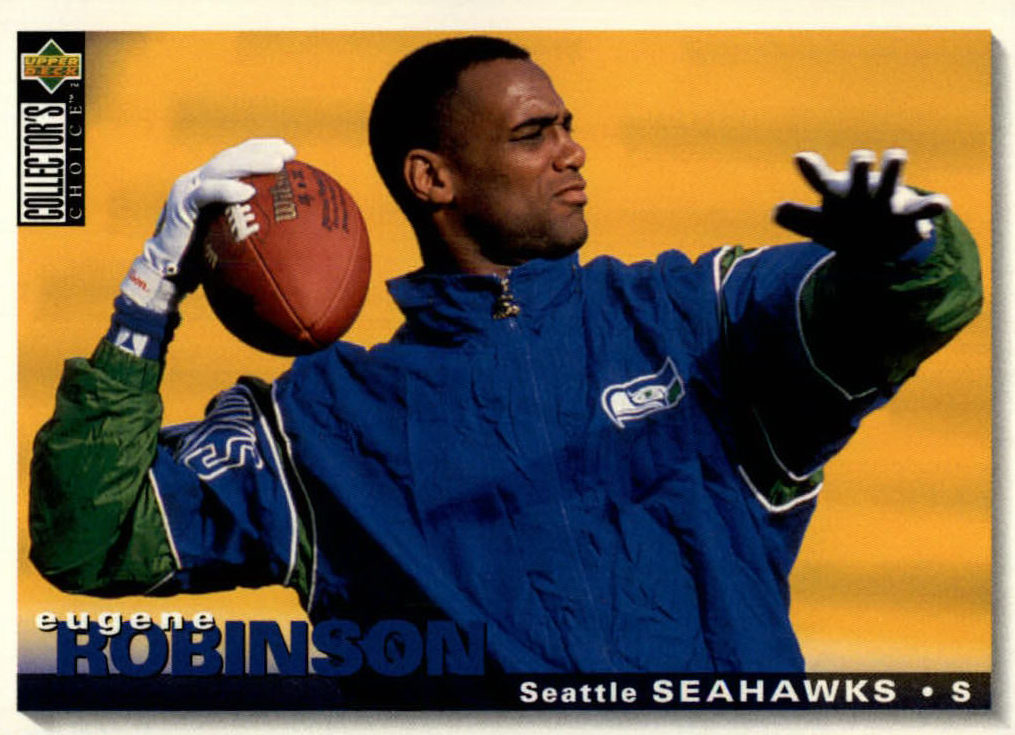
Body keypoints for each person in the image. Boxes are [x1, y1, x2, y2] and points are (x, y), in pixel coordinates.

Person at [29, 35, 982, 672]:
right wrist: (150, 296)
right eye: (534, 134)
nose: (571, 151)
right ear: (431, 177)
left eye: (566, 126)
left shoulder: (692, 315)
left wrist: (905, 250)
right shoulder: (322, 422)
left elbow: (892, 309)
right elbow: (91, 539)